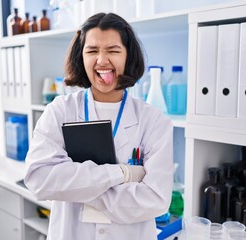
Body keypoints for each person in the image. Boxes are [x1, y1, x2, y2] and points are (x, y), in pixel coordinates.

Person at [24, 12, 174, 240]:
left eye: (113, 50)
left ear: (128, 56)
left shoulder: (154, 121)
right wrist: (122, 174)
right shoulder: (60, 110)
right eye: (92, 51)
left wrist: (75, 185)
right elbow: (39, 179)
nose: (102, 60)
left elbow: (155, 200)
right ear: (81, 57)